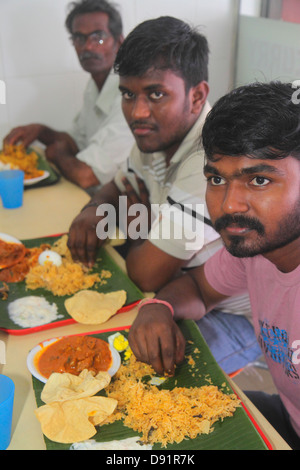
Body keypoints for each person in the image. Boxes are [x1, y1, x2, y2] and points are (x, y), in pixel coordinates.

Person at [67, 15, 261, 374]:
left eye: (156, 94)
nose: (138, 112)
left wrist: (137, 228)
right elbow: (119, 186)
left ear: (197, 95)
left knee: (129, 374)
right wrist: (95, 208)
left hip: (235, 316)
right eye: (128, 95)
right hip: (179, 291)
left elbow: (146, 275)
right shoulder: (155, 133)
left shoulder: (212, 158)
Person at [128, 81, 300, 449]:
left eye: (258, 179)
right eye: (217, 179)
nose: (229, 204)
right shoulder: (257, 248)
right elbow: (198, 289)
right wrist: (158, 307)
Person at [3, 0, 134, 194]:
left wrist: (57, 154)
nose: (87, 47)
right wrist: (41, 131)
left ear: (119, 42)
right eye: (79, 38)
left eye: (98, 37)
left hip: (129, 212)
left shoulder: (130, 95)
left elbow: (86, 175)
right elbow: (76, 142)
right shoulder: (95, 85)